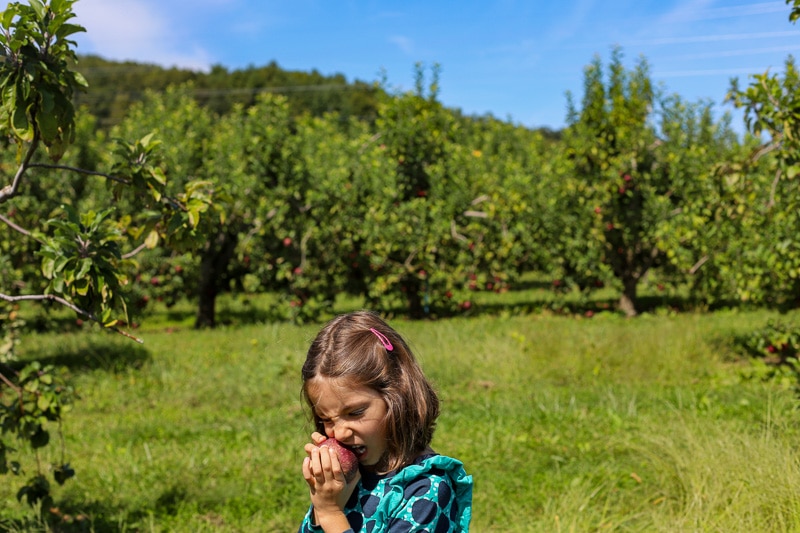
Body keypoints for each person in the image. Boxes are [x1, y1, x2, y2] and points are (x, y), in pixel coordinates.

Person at [298, 310, 473, 532]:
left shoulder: (426, 490)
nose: (339, 433)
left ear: (396, 395)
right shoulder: (347, 480)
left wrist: (330, 514)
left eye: (355, 412)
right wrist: (320, 508)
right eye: (326, 419)